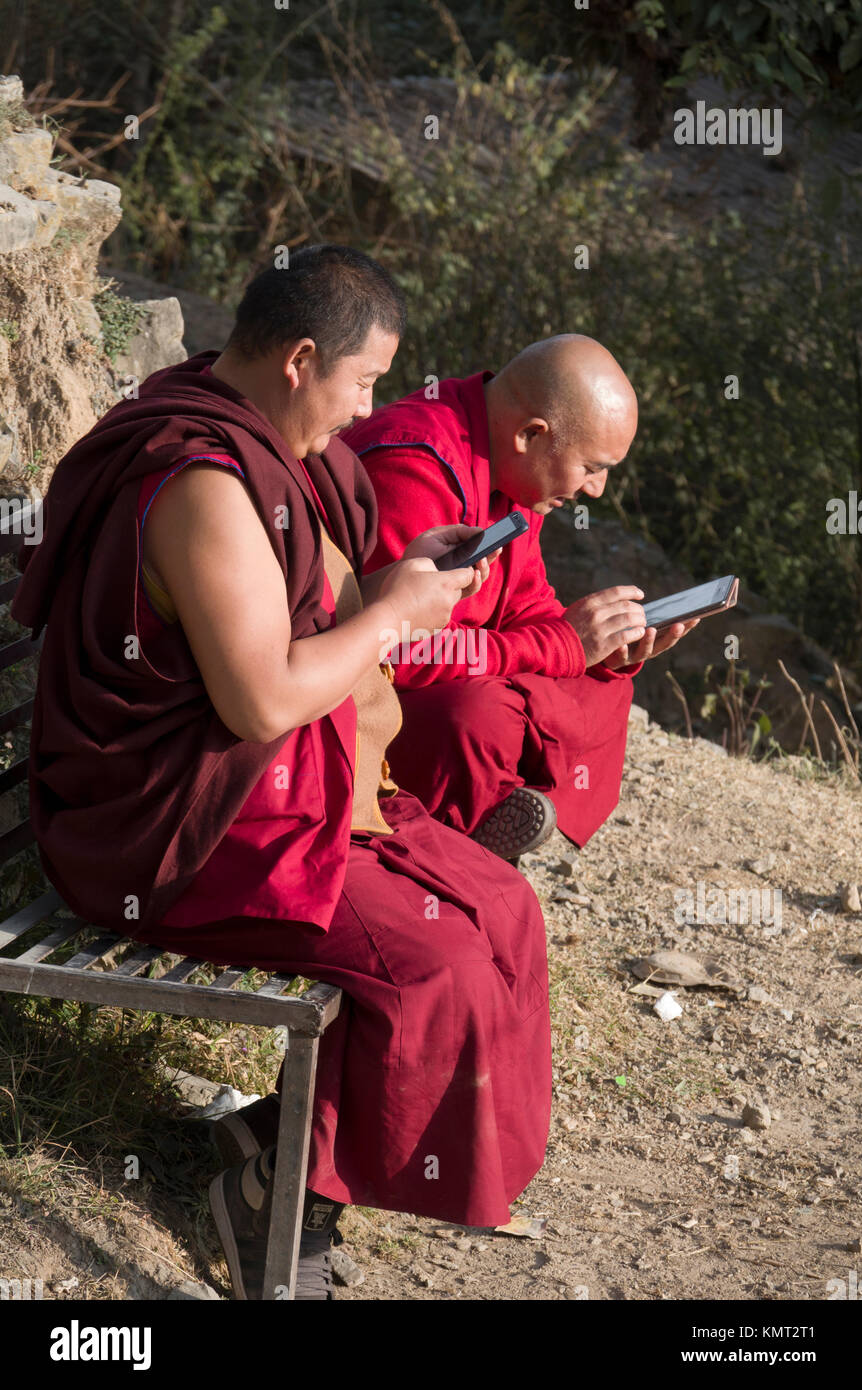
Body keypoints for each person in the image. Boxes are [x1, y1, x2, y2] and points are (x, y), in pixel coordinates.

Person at [10, 246, 552, 1300]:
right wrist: (394, 615)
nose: (365, 412)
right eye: (362, 384)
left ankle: (275, 1143)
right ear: (301, 361)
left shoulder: (262, 442)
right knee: (432, 968)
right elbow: (259, 700)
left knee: (500, 908)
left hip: (272, 786)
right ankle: (285, 1207)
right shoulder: (205, 481)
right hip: (175, 826)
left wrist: (396, 581)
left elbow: (311, 610)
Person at [342, 335, 700, 861]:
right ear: (532, 434)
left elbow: (525, 603)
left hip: (456, 661)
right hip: (363, 696)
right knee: (480, 715)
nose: (597, 490)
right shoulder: (416, 464)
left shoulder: (514, 467)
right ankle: (444, 838)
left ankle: (496, 800)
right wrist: (561, 644)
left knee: (600, 684)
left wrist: (600, 645)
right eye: (592, 467)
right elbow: (401, 654)